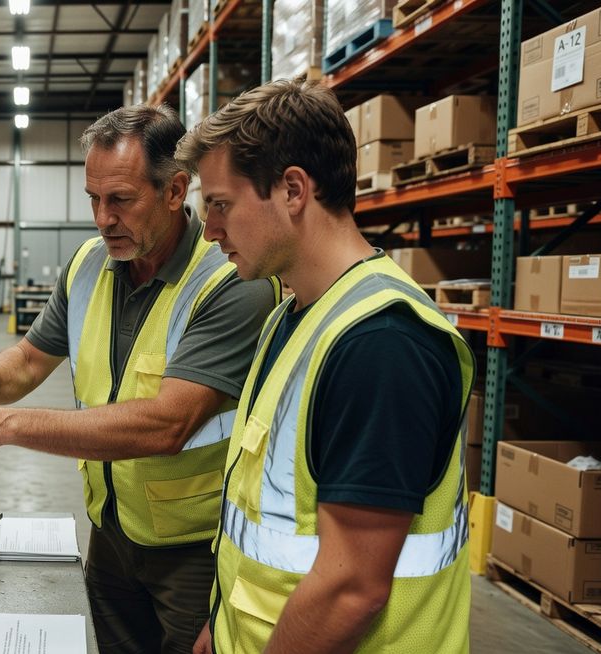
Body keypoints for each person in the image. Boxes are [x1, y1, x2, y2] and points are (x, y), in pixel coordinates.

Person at [0, 104, 279, 653]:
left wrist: (2, 425)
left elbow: (167, 425)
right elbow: (29, 361)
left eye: (121, 200)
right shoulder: (87, 266)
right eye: (94, 200)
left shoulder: (230, 283)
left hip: (195, 549)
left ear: (174, 191)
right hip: (109, 534)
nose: (102, 219)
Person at [174, 78, 473, 654]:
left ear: (292, 189)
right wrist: (223, 621)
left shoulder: (382, 344)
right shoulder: (292, 318)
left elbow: (350, 587)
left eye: (219, 205)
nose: (210, 232)